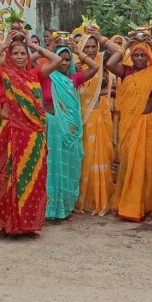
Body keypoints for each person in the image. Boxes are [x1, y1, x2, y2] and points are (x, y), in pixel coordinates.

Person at [0, 31, 60, 236]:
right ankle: (7, 223)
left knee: (33, 178)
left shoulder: (35, 74)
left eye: (23, 53)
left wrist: (33, 45)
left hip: (34, 137)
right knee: (8, 177)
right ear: (9, 56)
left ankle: (29, 224)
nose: (19, 56)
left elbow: (55, 59)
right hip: (11, 133)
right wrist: (3, 45)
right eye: (15, 53)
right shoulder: (2, 74)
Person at [104, 36, 152, 222]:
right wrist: (125, 46)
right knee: (127, 163)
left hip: (148, 123)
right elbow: (110, 64)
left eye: (143, 55)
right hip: (129, 124)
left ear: (149, 57)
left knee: (145, 165)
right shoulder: (125, 71)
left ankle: (144, 207)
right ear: (131, 57)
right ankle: (123, 204)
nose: (140, 58)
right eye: (137, 55)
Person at [45, 43, 98, 220]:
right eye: (61, 59)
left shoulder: (74, 79)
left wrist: (78, 52)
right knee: (52, 166)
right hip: (53, 129)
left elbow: (95, 67)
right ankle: (51, 209)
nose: (64, 63)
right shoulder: (47, 76)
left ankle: (66, 208)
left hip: (72, 129)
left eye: (68, 60)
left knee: (71, 167)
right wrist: (49, 50)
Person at [74, 30, 116, 216]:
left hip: (102, 114)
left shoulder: (103, 61)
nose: (90, 50)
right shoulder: (74, 65)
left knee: (103, 156)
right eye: (86, 47)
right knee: (86, 158)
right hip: (83, 117)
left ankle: (101, 199)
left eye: (93, 46)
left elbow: (120, 52)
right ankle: (84, 200)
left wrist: (102, 38)